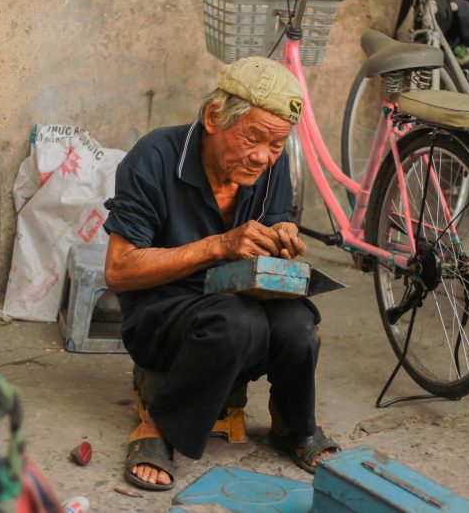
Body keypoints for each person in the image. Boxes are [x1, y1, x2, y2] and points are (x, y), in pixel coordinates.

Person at [102, 57, 338, 491]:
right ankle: (159, 428)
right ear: (213, 117)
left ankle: (293, 424)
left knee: (298, 322)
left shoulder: (270, 165)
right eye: (253, 138)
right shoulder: (154, 158)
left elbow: (272, 222)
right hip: (163, 315)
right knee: (236, 321)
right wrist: (219, 246)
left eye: (277, 146)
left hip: (236, 305)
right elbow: (118, 271)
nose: (263, 157)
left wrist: (282, 238)